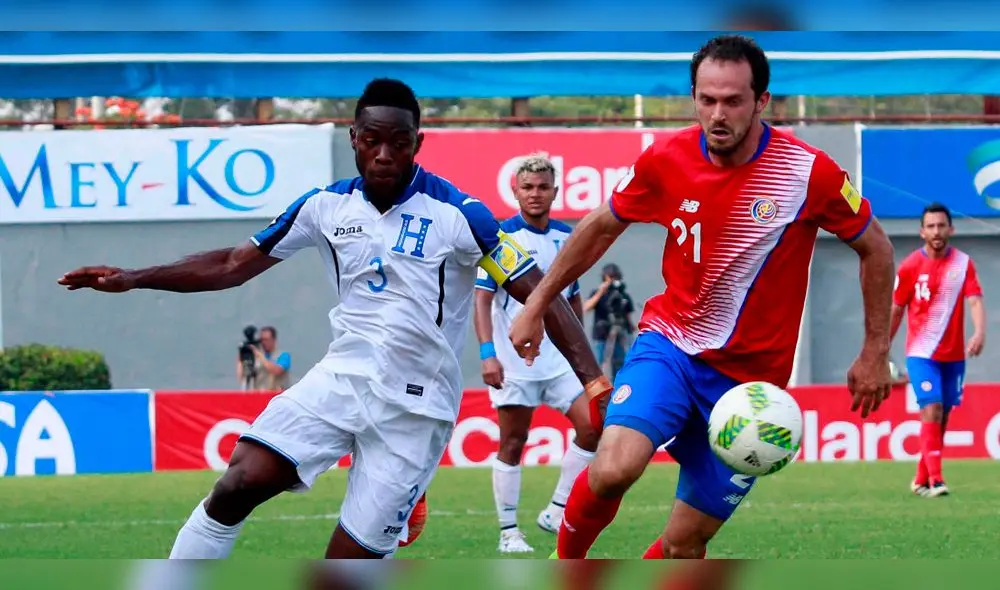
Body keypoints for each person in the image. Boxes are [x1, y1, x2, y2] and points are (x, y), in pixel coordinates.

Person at [58, 78, 609, 560]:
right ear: (354, 138)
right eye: (372, 140)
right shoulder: (323, 206)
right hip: (341, 380)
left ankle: (403, 504)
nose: (384, 153)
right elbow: (231, 264)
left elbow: (543, 293)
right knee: (238, 482)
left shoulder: (461, 215)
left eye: (399, 142)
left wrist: (593, 379)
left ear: (418, 143)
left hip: (415, 414)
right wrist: (133, 276)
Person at [507, 34, 895, 560]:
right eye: (707, 99)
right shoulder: (665, 157)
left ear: (761, 101)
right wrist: (535, 303)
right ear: (693, 97)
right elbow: (600, 226)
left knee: (684, 544)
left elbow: (876, 248)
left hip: (750, 390)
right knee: (614, 468)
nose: (718, 114)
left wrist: (874, 350)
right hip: (671, 348)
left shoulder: (808, 172)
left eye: (733, 101)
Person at [473, 154, 599, 553]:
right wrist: (487, 353)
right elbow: (482, 300)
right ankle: (509, 532)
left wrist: (585, 358)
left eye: (543, 187)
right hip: (514, 360)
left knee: (595, 426)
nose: (535, 194)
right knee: (513, 440)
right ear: (514, 190)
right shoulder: (501, 239)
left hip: (560, 361)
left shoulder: (567, 237)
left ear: (556, 191)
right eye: (527, 187)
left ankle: (557, 509)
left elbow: (573, 301)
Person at [890, 202, 986, 498]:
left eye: (941, 225)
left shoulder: (962, 264)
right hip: (921, 353)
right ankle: (936, 480)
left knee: (942, 416)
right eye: (930, 226)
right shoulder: (909, 267)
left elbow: (975, 300)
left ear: (951, 229)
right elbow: (896, 309)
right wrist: (880, 348)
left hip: (953, 355)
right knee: (930, 408)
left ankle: (920, 478)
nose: (936, 231)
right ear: (922, 232)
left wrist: (979, 332)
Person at [583, 263, 635, 381]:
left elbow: (628, 317)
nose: (613, 280)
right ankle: (600, 388)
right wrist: (601, 291)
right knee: (600, 363)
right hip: (602, 334)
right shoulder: (597, 293)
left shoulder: (623, 295)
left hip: (619, 333)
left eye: (615, 277)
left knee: (620, 363)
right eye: (610, 277)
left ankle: (619, 386)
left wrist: (631, 327)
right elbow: (586, 308)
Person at [237, 325, 292, 391]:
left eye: (266, 340)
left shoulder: (284, 356)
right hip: (259, 396)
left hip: (276, 396)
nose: (263, 343)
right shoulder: (256, 358)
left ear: (274, 340)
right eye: (261, 340)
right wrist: (241, 359)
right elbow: (242, 377)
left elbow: (277, 371)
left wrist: (260, 355)